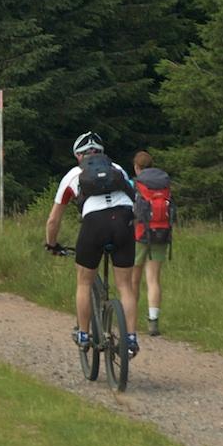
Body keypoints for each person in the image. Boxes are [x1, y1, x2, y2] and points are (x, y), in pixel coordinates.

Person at [44, 132, 140, 356]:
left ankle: (84, 334)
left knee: (84, 282)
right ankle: (131, 338)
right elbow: (135, 200)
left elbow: (53, 220)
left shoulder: (73, 175)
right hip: (123, 220)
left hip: (94, 224)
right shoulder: (118, 169)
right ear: (102, 152)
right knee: (125, 285)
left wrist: (52, 244)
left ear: (78, 155)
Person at [130, 151, 174, 337]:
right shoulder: (163, 184)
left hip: (139, 234)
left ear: (136, 167)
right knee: (153, 279)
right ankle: (153, 321)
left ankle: (130, 318)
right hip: (161, 234)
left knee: (133, 278)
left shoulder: (136, 185)